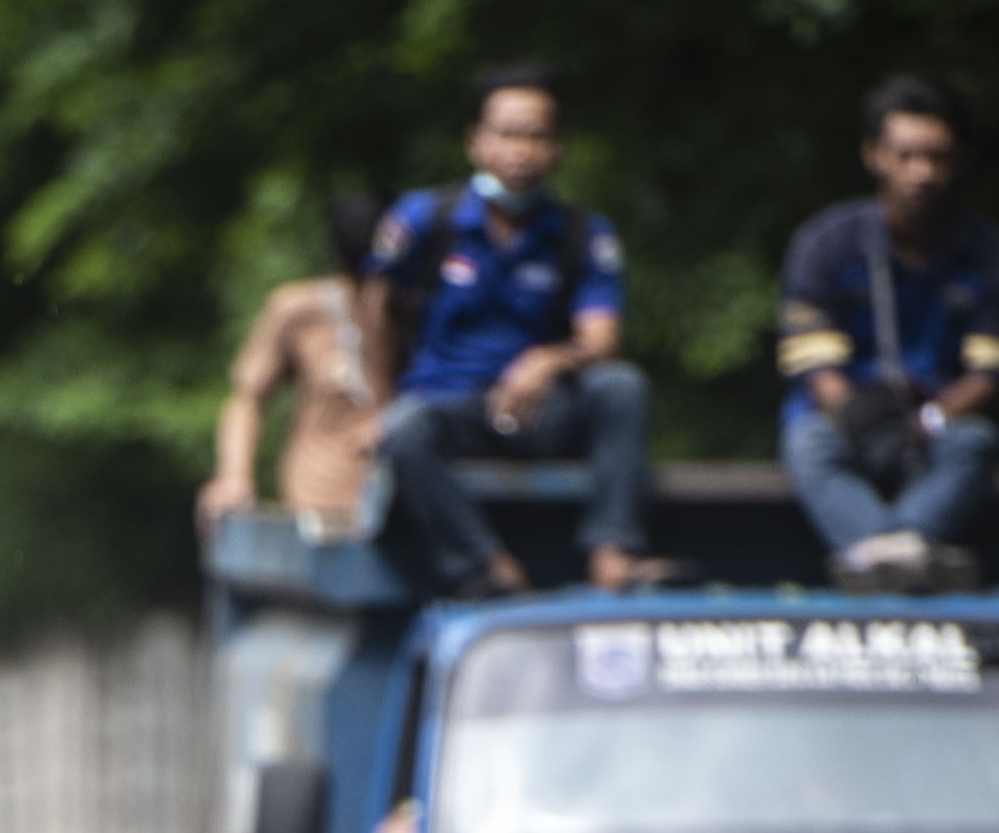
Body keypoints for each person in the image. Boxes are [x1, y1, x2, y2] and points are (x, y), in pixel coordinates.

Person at [363, 65, 661, 595]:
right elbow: (377, 306)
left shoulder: (581, 234)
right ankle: (485, 568)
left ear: (557, 148)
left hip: (542, 410)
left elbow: (600, 339)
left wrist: (548, 361)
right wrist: (377, 405)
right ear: (476, 143)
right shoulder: (425, 219)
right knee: (404, 429)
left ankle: (613, 552)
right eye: (506, 134)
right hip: (448, 407)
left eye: (536, 136)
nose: (520, 151)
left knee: (621, 387)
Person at [776, 73, 999, 585]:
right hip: (849, 423)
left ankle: (879, 560)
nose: (922, 173)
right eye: (907, 156)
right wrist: (865, 423)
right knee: (808, 443)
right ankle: (913, 560)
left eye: (937, 157)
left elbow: (991, 374)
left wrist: (932, 420)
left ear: (958, 161)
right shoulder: (825, 243)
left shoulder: (990, 253)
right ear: (874, 156)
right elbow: (818, 369)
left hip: (935, 427)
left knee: (976, 442)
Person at [199, 194, 389, 536]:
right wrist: (234, 477)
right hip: (321, 503)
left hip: (401, 505)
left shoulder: (415, 309)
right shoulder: (299, 310)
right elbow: (247, 399)